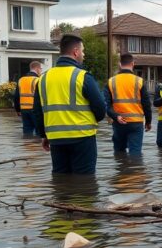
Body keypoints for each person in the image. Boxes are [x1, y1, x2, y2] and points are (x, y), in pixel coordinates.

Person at [32, 34, 106, 174]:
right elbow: (100, 108)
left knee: (61, 178)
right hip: (82, 137)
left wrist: (44, 135)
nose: (83, 55)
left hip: (56, 139)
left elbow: (37, 111)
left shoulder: (43, 78)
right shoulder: (83, 76)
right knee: (84, 181)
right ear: (76, 51)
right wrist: (90, 121)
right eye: (83, 51)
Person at [104, 53, 152, 156]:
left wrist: (116, 116)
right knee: (135, 155)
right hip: (136, 123)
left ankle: (121, 171)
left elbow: (106, 106)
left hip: (118, 123)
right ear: (133, 64)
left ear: (120, 64)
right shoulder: (139, 81)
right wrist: (148, 122)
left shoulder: (111, 82)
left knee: (119, 153)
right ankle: (134, 171)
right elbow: (147, 105)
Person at [14, 61, 42, 135]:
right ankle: (37, 146)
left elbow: (16, 96)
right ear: (37, 68)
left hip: (23, 110)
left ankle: (27, 146)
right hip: (35, 110)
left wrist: (17, 109)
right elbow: (40, 96)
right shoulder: (37, 80)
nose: (41, 71)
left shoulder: (21, 80)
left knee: (27, 132)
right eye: (41, 69)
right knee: (39, 132)